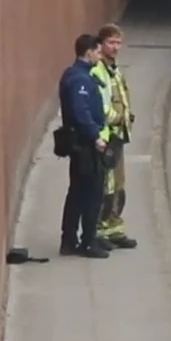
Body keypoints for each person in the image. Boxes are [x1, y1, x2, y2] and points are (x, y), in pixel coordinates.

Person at [56, 33, 110, 258]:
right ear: (88, 53)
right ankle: (87, 241)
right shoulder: (80, 80)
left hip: (79, 142)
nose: (100, 55)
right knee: (91, 193)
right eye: (98, 52)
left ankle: (70, 240)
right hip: (85, 145)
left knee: (77, 192)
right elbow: (81, 112)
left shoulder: (74, 74)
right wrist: (95, 136)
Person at [88, 23, 137, 250]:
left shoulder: (115, 70)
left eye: (118, 42)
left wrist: (128, 117)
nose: (116, 47)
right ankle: (100, 229)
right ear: (101, 44)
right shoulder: (99, 71)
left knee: (118, 185)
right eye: (111, 43)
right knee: (106, 186)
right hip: (107, 137)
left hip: (118, 136)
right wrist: (119, 118)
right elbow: (102, 106)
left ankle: (114, 228)